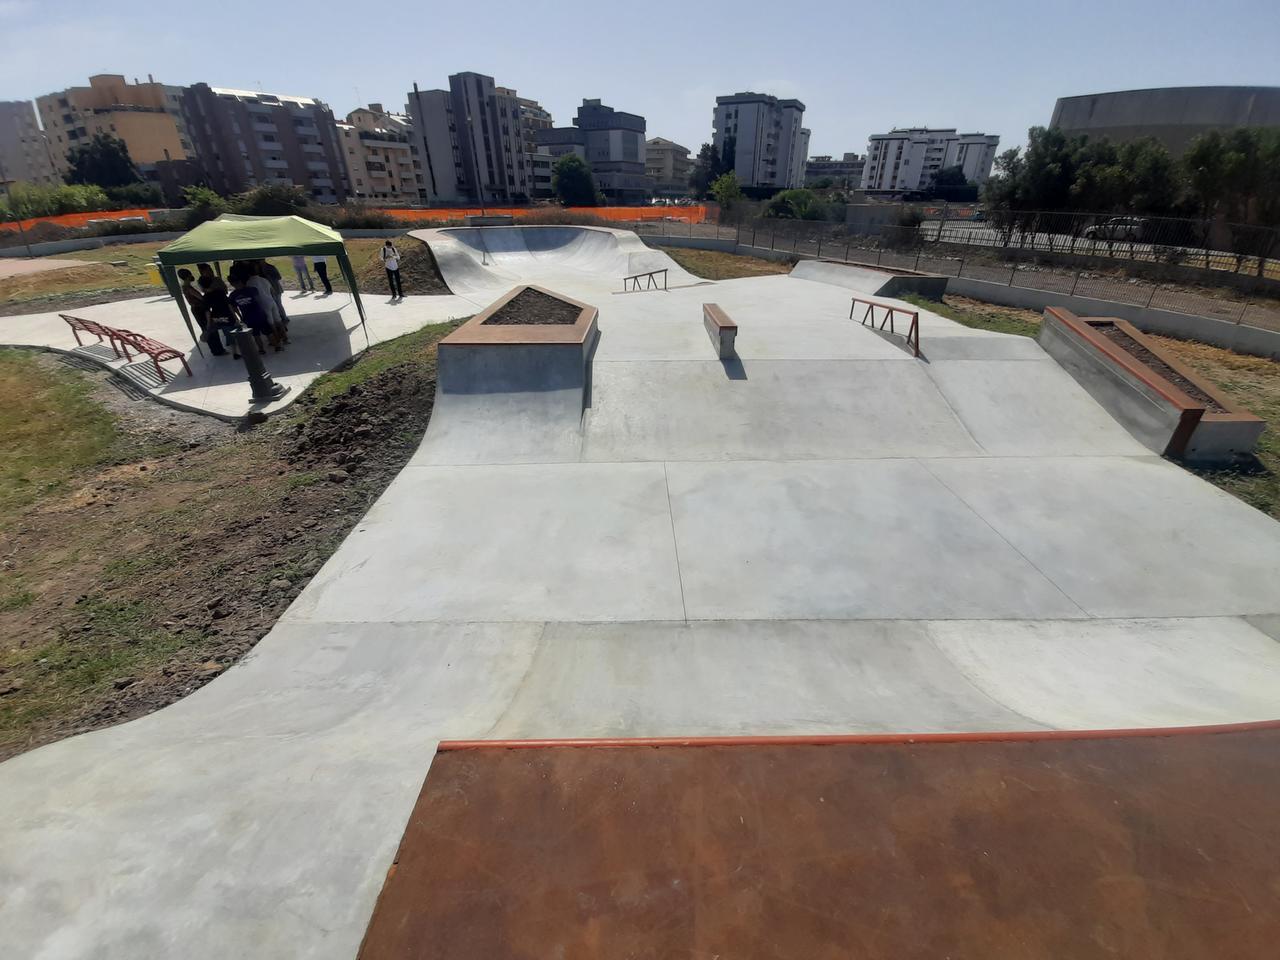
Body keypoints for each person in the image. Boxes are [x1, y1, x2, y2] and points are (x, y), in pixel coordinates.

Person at [227, 264, 282, 353]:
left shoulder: (233, 295)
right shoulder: (252, 290)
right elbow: (259, 300)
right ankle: (277, 346)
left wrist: (240, 317)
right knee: (268, 332)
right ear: (241, 281)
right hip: (259, 314)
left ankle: (261, 349)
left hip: (248, 317)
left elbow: (234, 308)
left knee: (256, 335)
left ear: (232, 284)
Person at [179, 268, 226, 356]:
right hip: (200, 310)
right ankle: (218, 350)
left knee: (207, 328)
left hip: (196, 309)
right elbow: (201, 298)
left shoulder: (185, 287)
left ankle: (215, 349)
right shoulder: (189, 288)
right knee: (210, 328)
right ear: (188, 276)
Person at [196, 263, 234, 357]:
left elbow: (208, 311)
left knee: (223, 329)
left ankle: (224, 346)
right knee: (228, 329)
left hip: (217, 315)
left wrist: (208, 323)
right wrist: (235, 315)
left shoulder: (207, 296)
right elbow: (228, 303)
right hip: (224, 313)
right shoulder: (219, 292)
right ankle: (233, 350)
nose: (210, 271)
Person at [257, 259, 290, 326]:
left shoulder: (270, 267)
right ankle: (279, 318)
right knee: (275, 305)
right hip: (269, 289)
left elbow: (279, 277)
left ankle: (284, 318)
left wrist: (268, 276)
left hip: (276, 288)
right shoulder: (260, 270)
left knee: (278, 304)